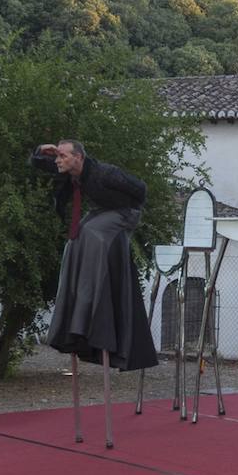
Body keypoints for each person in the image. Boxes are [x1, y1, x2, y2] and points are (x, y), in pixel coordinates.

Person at [30, 139, 157, 373]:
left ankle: (93, 286)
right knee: (75, 237)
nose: (57, 161)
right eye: (57, 156)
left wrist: (128, 211)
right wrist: (41, 151)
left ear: (78, 157)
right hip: (104, 210)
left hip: (125, 213)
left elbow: (141, 189)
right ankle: (76, 288)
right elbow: (38, 163)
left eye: (62, 156)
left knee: (91, 232)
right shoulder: (71, 170)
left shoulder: (105, 173)